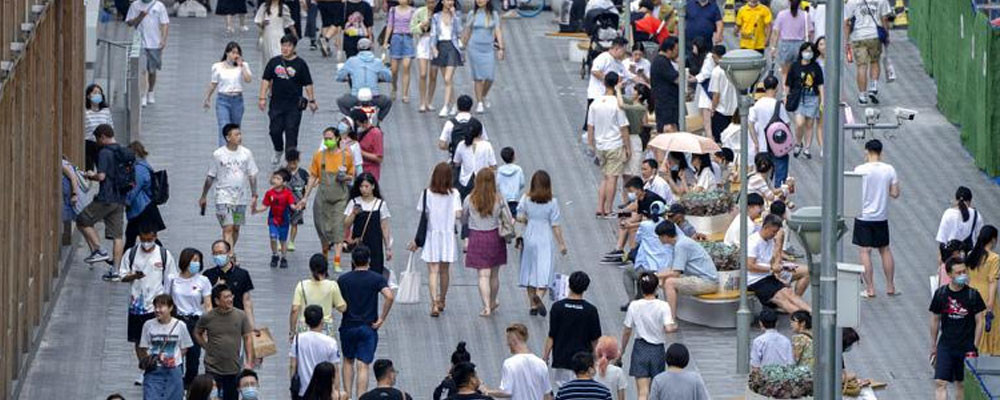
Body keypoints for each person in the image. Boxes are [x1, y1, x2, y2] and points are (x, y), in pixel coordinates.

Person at [119, 230, 177, 386]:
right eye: (143, 239)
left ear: (155, 237)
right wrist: (134, 276)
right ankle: (146, 369)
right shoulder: (131, 253)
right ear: (139, 237)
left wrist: (169, 303)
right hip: (137, 305)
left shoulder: (164, 255)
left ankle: (159, 367)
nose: (146, 242)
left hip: (157, 305)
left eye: (149, 239)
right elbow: (122, 276)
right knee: (139, 341)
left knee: (157, 338)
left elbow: (171, 278)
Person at [338, 246, 395, 400]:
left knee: (348, 361)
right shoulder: (376, 278)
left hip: (348, 325)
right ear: (369, 260)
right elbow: (389, 296)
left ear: (352, 260)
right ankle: (361, 397)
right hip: (368, 327)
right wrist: (382, 318)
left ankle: (347, 396)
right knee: (363, 364)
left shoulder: (343, 280)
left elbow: (338, 303)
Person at [408, 163, 462, 317]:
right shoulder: (455, 194)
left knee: (432, 271)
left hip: (432, 235)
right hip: (447, 235)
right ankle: (442, 299)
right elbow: (458, 214)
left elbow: (423, 215)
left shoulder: (427, 193)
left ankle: (433, 304)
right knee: (444, 271)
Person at [931, 257, 987, 400]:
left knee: (961, 384)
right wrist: (933, 346)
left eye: (964, 271)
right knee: (940, 382)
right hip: (946, 345)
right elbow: (935, 319)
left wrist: (975, 345)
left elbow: (980, 320)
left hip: (967, 347)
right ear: (949, 275)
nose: (963, 275)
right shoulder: (941, 294)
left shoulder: (973, 295)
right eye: (958, 273)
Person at [300, 128, 356, 268]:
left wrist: (345, 177)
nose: (327, 141)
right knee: (321, 226)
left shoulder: (346, 156)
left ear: (337, 139)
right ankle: (324, 252)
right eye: (325, 138)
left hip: (340, 197)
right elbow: (313, 176)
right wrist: (305, 197)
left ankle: (337, 261)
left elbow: (352, 175)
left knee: (338, 227)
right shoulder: (319, 156)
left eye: (330, 138)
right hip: (323, 197)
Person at [259, 35, 318, 167]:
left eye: (289, 46)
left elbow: (308, 83)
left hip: (294, 106)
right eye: (283, 45)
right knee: (275, 130)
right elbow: (265, 79)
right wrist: (262, 97)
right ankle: (278, 149)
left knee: (291, 132)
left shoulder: (301, 64)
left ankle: (290, 162)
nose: (285, 48)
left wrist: (312, 100)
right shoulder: (274, 62)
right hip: (276, 104)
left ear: (294, 47)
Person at [199, 124, 260, 250]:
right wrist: (204, 195)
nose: (239, 137)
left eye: (240, 134)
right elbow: (210, 176)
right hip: (223, 196)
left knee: (236, 228)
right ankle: (230, 256)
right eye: (236, 134)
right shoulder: (218, 154)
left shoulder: (246, 153)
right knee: (228, 227)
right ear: (228, 137)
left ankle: (227, 251)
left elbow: (252, 175)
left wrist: (254, 194)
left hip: (241, 198)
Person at [852, 139, 900, 297]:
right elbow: (895, 193)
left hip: (863, 216)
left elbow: (854, 192)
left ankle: (870, 288)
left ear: (866, 151)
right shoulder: (889, 169)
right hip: (881, 216)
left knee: (864, 251)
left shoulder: (859, 169)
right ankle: (890, 286)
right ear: (881, 152)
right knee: (885, 250)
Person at [76, 125, 127, 273]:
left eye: (98, 139)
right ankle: (116, 270)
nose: (97, 142)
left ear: (103, 137)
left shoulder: (105, 153)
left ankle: (99, 250)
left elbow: (102, 176)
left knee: (82, 219)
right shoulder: (123, 151)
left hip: (106, 197)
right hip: (120, 198)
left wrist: (91, 175)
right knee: (117, 236)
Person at [517, 171, 569, 316]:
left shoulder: (526, 198)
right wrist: (562, 244)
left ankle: (532, 306)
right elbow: (555, 225)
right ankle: (539, 297)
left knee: (530, 271)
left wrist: (527, 220)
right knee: (545, 272)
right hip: (545, 237)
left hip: (530, 235)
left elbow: (519, 215)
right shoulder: (552, 201)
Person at [621, 273, 676, 400]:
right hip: (657, 350)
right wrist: (673, 326)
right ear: (656, 288)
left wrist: (622, 349)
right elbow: (668, 328)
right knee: (656, 392)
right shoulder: (663, 306)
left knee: (642, 392)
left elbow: (627, 330)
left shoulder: (634, 305)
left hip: (640, 348)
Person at [195, 284, 255, 400]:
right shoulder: (208, 317)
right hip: (212, 367)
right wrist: (206, 346)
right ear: (217, 301)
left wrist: (249, 362)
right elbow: (197, 332)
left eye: (231, 296)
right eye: (226, 297)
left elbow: (247, 338)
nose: (230, 299)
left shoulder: (240, 315)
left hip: (233, 368)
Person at [463, 169, 509, 316]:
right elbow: (507, 216)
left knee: (483, 275)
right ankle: (493, 301)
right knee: (494, 275)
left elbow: (463, 218)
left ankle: (486, 306)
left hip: (476, 236)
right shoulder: (499, 199)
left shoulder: (470, 199)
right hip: (495, 236)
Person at [544, 271, 602, 387]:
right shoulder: (590, 310)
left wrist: (545, 356)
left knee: (563, 390)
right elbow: (595, 340)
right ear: (585, 288)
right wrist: (597, 360)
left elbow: (552, 335)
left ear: (569, 285)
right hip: (583, 362)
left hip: (562, 359)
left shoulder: (557, 307)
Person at [587, 71, 631, 218]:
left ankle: (600, 207)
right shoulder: (617, 104)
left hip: (600, 145)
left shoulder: (595, 103)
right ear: (617, 83)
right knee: (613, 178)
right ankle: (608, 209)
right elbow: (623, 127)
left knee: (605, 177)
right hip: (614, 144)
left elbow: (590, 126)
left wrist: (591, 144)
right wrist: (628, 147)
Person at [168, 248, 213, 387]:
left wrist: (208, 326)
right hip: (177, 321)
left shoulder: (203, 280)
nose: (196, 263)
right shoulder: (172, 279)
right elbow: (166, 299)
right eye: (194, 260)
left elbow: (208, 305)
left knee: (194, 357)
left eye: (199, 261)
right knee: (176, 354)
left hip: (195, 322)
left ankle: (190, 384)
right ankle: (176, 384)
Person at [748, 215, 810, 313]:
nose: (775, 234)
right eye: (773, 232)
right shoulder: (753, 242)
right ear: (766, 227)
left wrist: (782, 269)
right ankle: (803, 319)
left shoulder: (770, 240)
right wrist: (772, 269)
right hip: (756, 280)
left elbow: (773, 259)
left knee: (789, 293)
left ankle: (811, 314)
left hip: (769, 276)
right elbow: (750, 266)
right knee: (782, 299)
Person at [655, 220, 719, 316]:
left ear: (665, 236)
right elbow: (672, 269)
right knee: (665, 278)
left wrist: (655, 275)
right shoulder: (680, 242)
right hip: (701, 279)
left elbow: (676, 273)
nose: (658, 239)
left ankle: (671, 319)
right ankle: (666, 313)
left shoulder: (681, 245)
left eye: (659, 236)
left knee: (669, 282)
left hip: (708, 282)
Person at [139, 294, 193, 400]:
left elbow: (184, 347)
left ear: (170, 308)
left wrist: (174, 359)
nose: (157, 310)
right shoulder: (148, 325)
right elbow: (143, 347)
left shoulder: (180, 325)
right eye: (156, 307)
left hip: (173, 371)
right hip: (154, 370)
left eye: (161, 307)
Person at [482, 324, 552, 400]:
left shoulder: (509, 363)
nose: (507, 344)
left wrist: (487, 391)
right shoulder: (541, 364)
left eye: (508, 341)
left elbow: (506, 391)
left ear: (514, 341)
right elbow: (547, 395)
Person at [202, 240, 258, 333]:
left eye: (221, 253)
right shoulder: (208, 275)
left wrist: (251, 326)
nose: (218, 256)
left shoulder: (242, 274)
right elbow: (203, 301)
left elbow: (247, 301)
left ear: (229, 253)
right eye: (215, 254)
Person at [204, 42, 253, 146]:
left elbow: (248, 79)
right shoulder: (217, 66)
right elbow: (213, 84)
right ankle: (224, 155)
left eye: (238, 53)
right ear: (227, 53)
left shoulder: (243, 65)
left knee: (235, 128)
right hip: (223, 100)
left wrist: (242, 66)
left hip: (237, 100)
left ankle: (235, 151)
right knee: (224, 127)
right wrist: (207, 98)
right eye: (233, 52)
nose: (235, 55)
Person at [344, 173, 393, 277]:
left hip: (375, 246)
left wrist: (388, 247)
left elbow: (384, 227)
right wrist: (353, 213)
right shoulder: (354, 202)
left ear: (373, 186)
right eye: (361, 186)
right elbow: (346, 224)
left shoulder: (380, 204)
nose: (364, 189)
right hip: (359, 246)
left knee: (375, 274)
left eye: (366, 186)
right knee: (358, 274)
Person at [290, 305, 344, 399]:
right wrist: (336, 391)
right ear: (322, 320)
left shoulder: (298, 339)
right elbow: (336, 370)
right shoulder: (330, 342)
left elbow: (292, 365)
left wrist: (293, 385)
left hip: (303, 391)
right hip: (324, 392)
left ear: (306, 321)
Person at [844, 0, 892, 104]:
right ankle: (873, 87)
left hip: (858, 36)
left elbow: (847, 22)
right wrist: (887, 35)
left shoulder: (851, 2)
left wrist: (846, 40)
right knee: (875, 62)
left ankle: (862, 96)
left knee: (861, 66)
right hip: (874, 35)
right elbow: (884, 19)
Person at [291, 254, 348, 338]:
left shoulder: (301, 285)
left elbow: (294, 309)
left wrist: (292, 330)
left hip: (306, 326)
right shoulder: (332, 285)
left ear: (311, 268)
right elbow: (342, 308)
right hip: (325, 326)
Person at [336, 40, 394, 123]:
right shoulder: (378, 62)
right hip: (374, 98)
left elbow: (339, 76)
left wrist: (344, 78)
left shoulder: (351, 61)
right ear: (371, 48)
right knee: (388, 101)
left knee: (340, 101)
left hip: (355, 97)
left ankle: (352, 120)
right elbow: (389, 77)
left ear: (358, 48)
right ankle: (379, 121)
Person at [252, 169, 300, 268]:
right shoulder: (269, 193)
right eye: (274, 178)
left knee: (283, 241)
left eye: (278, 179)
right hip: (273, 220)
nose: (275, 180)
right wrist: (256, 209)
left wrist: (298, 206)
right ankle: (274, 255)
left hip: (284, 221)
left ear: (284, 182)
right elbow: (265, 206)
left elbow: (292, 206)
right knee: (273, 237)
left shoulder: (288, 193)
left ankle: (283, 257)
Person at [747, 76, 791, 184]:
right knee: (780, 177)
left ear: (764, 87)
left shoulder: (757, 105)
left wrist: (756, 142)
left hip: (763, 147)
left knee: (763, 177)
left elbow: (750, 123)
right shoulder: (778, 105)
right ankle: (779, 195)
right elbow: (787, 124)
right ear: (777, 88)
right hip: (778, 146)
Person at [462, 0, 504, 113]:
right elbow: (467, 31)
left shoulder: (493, 14)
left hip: (488, 48)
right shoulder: (472, 14)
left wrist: (501, 48)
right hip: (474, 48)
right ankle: (479, 102)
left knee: (490, 77)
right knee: (478, 77)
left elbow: (498, 30)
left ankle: (483, 95)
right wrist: (462, 47)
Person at [126, 0, 169, 107]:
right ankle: (143, 95)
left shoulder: (159, 6)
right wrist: (139, 17)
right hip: (139, 42)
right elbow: (129, 23)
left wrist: (163, 39)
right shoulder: (135, 5)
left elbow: (165, 23)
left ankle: (151, 91)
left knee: (152, 70)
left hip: (155, 43)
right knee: (142, 70)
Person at [123, 141, 167, 250]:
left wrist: (126, 201)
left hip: (141, 209)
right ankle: (122, 260)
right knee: (135, 236)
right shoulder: (143, 165)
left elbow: (134, 188)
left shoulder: (139, 169)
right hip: (144, 208)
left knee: (144, 237)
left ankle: (122, 261)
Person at [784, 42, 824, 159]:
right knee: (799, 123)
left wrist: (822, 99)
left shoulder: (816, 67)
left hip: (812, 97)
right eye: (806, 51)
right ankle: (798, 142)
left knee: (810, 123)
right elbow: (788, 83)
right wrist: (786, 96)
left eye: (810, 51)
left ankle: (807, 147)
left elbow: (820, 84)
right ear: (801, 52)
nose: (808, 53)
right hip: (799, 97)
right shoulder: (795, 66)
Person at [967, 226, 1000, 355]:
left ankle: (974, 350)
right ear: (993, 239)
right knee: (990, 326)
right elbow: (992, 281)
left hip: (971, 292)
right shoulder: (994, 258)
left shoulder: (972, 254)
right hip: (986, 294)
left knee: (974, 324)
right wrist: (990, 303)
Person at [584, 38, 627, 133]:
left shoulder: (620, 63)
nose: (624, 55)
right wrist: (608, 80)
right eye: (623, 51)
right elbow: (595, 71)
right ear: (616, 48)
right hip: (597, 94)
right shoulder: (604, 57)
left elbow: (624, 76)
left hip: (610, 97)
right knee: (593, 122)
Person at [430, 0, 464, 117]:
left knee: (448, 77)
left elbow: (460, 30)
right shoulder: (436, 16)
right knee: (446, 79)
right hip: (441, 46)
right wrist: (433, 47)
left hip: (452, 47)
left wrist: (454, 15)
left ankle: (445, 106)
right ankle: (454, 104)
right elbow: (433, 33)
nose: (450, 2)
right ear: (442, 2)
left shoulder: (456, 15)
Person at [936, 186, 984, 262]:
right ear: (970, 201)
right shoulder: (976, 215)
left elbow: (942, 240)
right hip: (969, 258)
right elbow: (980, 239)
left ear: (956, 200)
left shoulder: (948, 213)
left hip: (951, 259)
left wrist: (940, 263)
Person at [453, 118, 497, 201]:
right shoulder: (487, 145)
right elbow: (493, 165)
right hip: (483, 182)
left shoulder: (462, 145)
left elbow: (456, 163)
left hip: (465, 181)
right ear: (480, 132)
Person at [769, 0, 811, 84]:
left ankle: (786, 92)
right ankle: (797, 88)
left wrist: (773, 47)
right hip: (800, 45)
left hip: (785, 45)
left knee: (785, 73)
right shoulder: (805, 15)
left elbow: (776, 32)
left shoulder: (781, 14)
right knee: (800, 70)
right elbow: (809, 32)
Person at [381, 0, 415, 103]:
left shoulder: (413, 11)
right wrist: (386, 41)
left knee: (406, 67)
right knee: (394, 69)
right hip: (396, 38)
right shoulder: (393, 10)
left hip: (408, 38)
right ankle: (394, 87)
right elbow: (390, 25)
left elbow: (415, 25)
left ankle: (405, 94)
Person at [438, 95, 490, 161]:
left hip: (455, 159)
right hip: (474, 159)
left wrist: (451, 147)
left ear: (457, 106)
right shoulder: (477, 123)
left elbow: (441, 144)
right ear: (470, 107)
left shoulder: (450, 123)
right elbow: (485, 142)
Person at [413, 0, 440, 113]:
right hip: (423, 41)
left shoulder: (439, 13)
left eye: (433, 2)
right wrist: (421, 25)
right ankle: (422, 102)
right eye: (429, 2)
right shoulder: (419, 12)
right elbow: (413, 28)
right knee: (423, 74)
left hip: (436, 43)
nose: (431, 5)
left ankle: (429, 101)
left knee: (433, 75)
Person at [706, 46, 736, 144]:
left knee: (720, 141)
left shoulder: (717, 71)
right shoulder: (733, 68)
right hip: (734, 111)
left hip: (721, 111)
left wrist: (712, 109)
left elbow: (716, 94)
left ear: (714, 56)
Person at [650, 37, 679, 132]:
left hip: (667, 101)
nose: (677, 53)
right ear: (669, 50)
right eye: (676, 50)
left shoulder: (663, 61)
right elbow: (677, 79)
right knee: (668, 128)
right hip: (666, 103)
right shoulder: (661, 62)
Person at [255, 0, 295, 66]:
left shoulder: (284, 8)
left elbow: (289, 23)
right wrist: (263, 23)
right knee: (269, 57)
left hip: (279, 36)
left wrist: (294, 35)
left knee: (279, 54)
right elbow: (258, 21)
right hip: (267, 37)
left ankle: (279, 72)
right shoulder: (264, 7)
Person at [286, 149, 311, 251]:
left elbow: (310, 183)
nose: (292, 165)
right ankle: (281, 241)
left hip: (298, 203)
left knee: (294, 223)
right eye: (290, 162)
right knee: (283, 223)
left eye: (294, 162)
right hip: (284, 203)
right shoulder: (283, 172)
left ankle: (291, 241)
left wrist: (305, 198)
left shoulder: (303, 173)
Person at [84, 83, 113, 171]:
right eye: (94, 93)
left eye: (99, 93)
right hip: (88, 143)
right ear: (88, 96)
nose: (97, 95)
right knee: (88, 169)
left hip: (103, 143)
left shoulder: (106, 111)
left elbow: (110, 127)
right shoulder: (85, 112)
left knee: (103, 169)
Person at [497, 147, 525, 217]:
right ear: (513, 157)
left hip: (504, 199)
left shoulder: (500, 170)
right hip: (514, 198)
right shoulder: (518, 169)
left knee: (505, 218)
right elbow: (522, 183)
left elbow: (497, 183)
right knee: (514, 217)